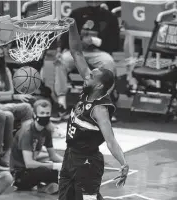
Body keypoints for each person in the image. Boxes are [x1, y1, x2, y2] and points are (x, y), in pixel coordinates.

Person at [58, 19, 129, 200]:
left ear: (99, 86)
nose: (87, 74)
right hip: (70, 156)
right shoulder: (88, 89)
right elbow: (76, 52)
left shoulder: (100, 109)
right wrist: (72, 26)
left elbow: (110, 140)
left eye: (92, 75)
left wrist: (123, 163)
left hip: (88, 162)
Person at [53, 0, 120, 122]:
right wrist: (59, 51)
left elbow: (114, 44)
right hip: (77, 51)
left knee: (109, 63)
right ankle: (61, 104)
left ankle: (104, 105)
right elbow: (65, 35)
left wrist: (95, 41)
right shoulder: (76, 13)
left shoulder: (110, 17)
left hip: (98, 52)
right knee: (61, 61)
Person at [10, 99, 63, 194]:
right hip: (19, 175)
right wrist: (54, 165)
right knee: (49, 171)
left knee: (65, 170)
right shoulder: (27, 132)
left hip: (32, 169)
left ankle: (43, 186)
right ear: (34, 114)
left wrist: (69, 162)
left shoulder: (46, 130)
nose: (45, 116)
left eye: (47, 113)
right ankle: (43, 186)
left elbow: (53, 156)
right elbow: (29, 163)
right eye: (42, 113)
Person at [0, 47, 33, 123]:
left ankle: (26, 128)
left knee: (31, 99)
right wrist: (13, 96)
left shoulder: (6, 70)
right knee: (27, 107)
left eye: (1, 54)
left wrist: (0, 94)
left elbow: (11, 91)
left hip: (8, 99)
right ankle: (26, 131)